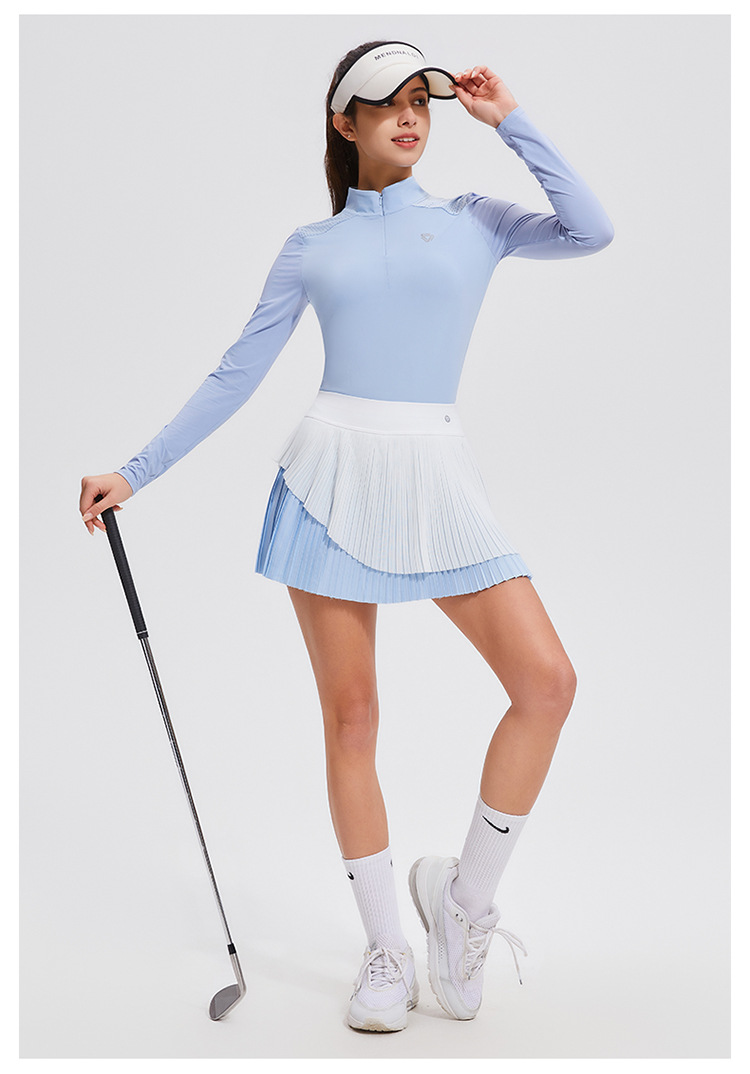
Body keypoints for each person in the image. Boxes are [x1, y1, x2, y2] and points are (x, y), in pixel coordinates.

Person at [79, 40, 614, 1033]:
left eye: (423, 101)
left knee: (547, 683)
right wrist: (136, 471)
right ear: (344, 120)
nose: (411, 116)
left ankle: (462, 905)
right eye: (387, 102)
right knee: (354, 717)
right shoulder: (311, 246)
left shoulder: (476, 220)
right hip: (329, 480)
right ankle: (383, 950)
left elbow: (592, 230)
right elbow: (236, 372)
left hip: (437, 475)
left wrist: (510, 121)